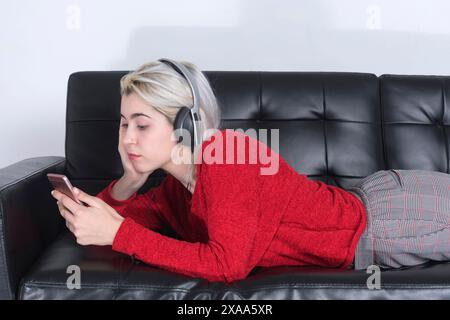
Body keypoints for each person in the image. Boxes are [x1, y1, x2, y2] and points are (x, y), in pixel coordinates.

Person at [50, 59, 450, 284]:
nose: (128, 138)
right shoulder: (175, 190)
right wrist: (128, 182)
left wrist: (119, 232)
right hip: (375, 199)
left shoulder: (230, 158)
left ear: (184, 127)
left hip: (391, 221)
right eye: (124, 124)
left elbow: (227, 265)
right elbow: (103, 234)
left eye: (142, 124)